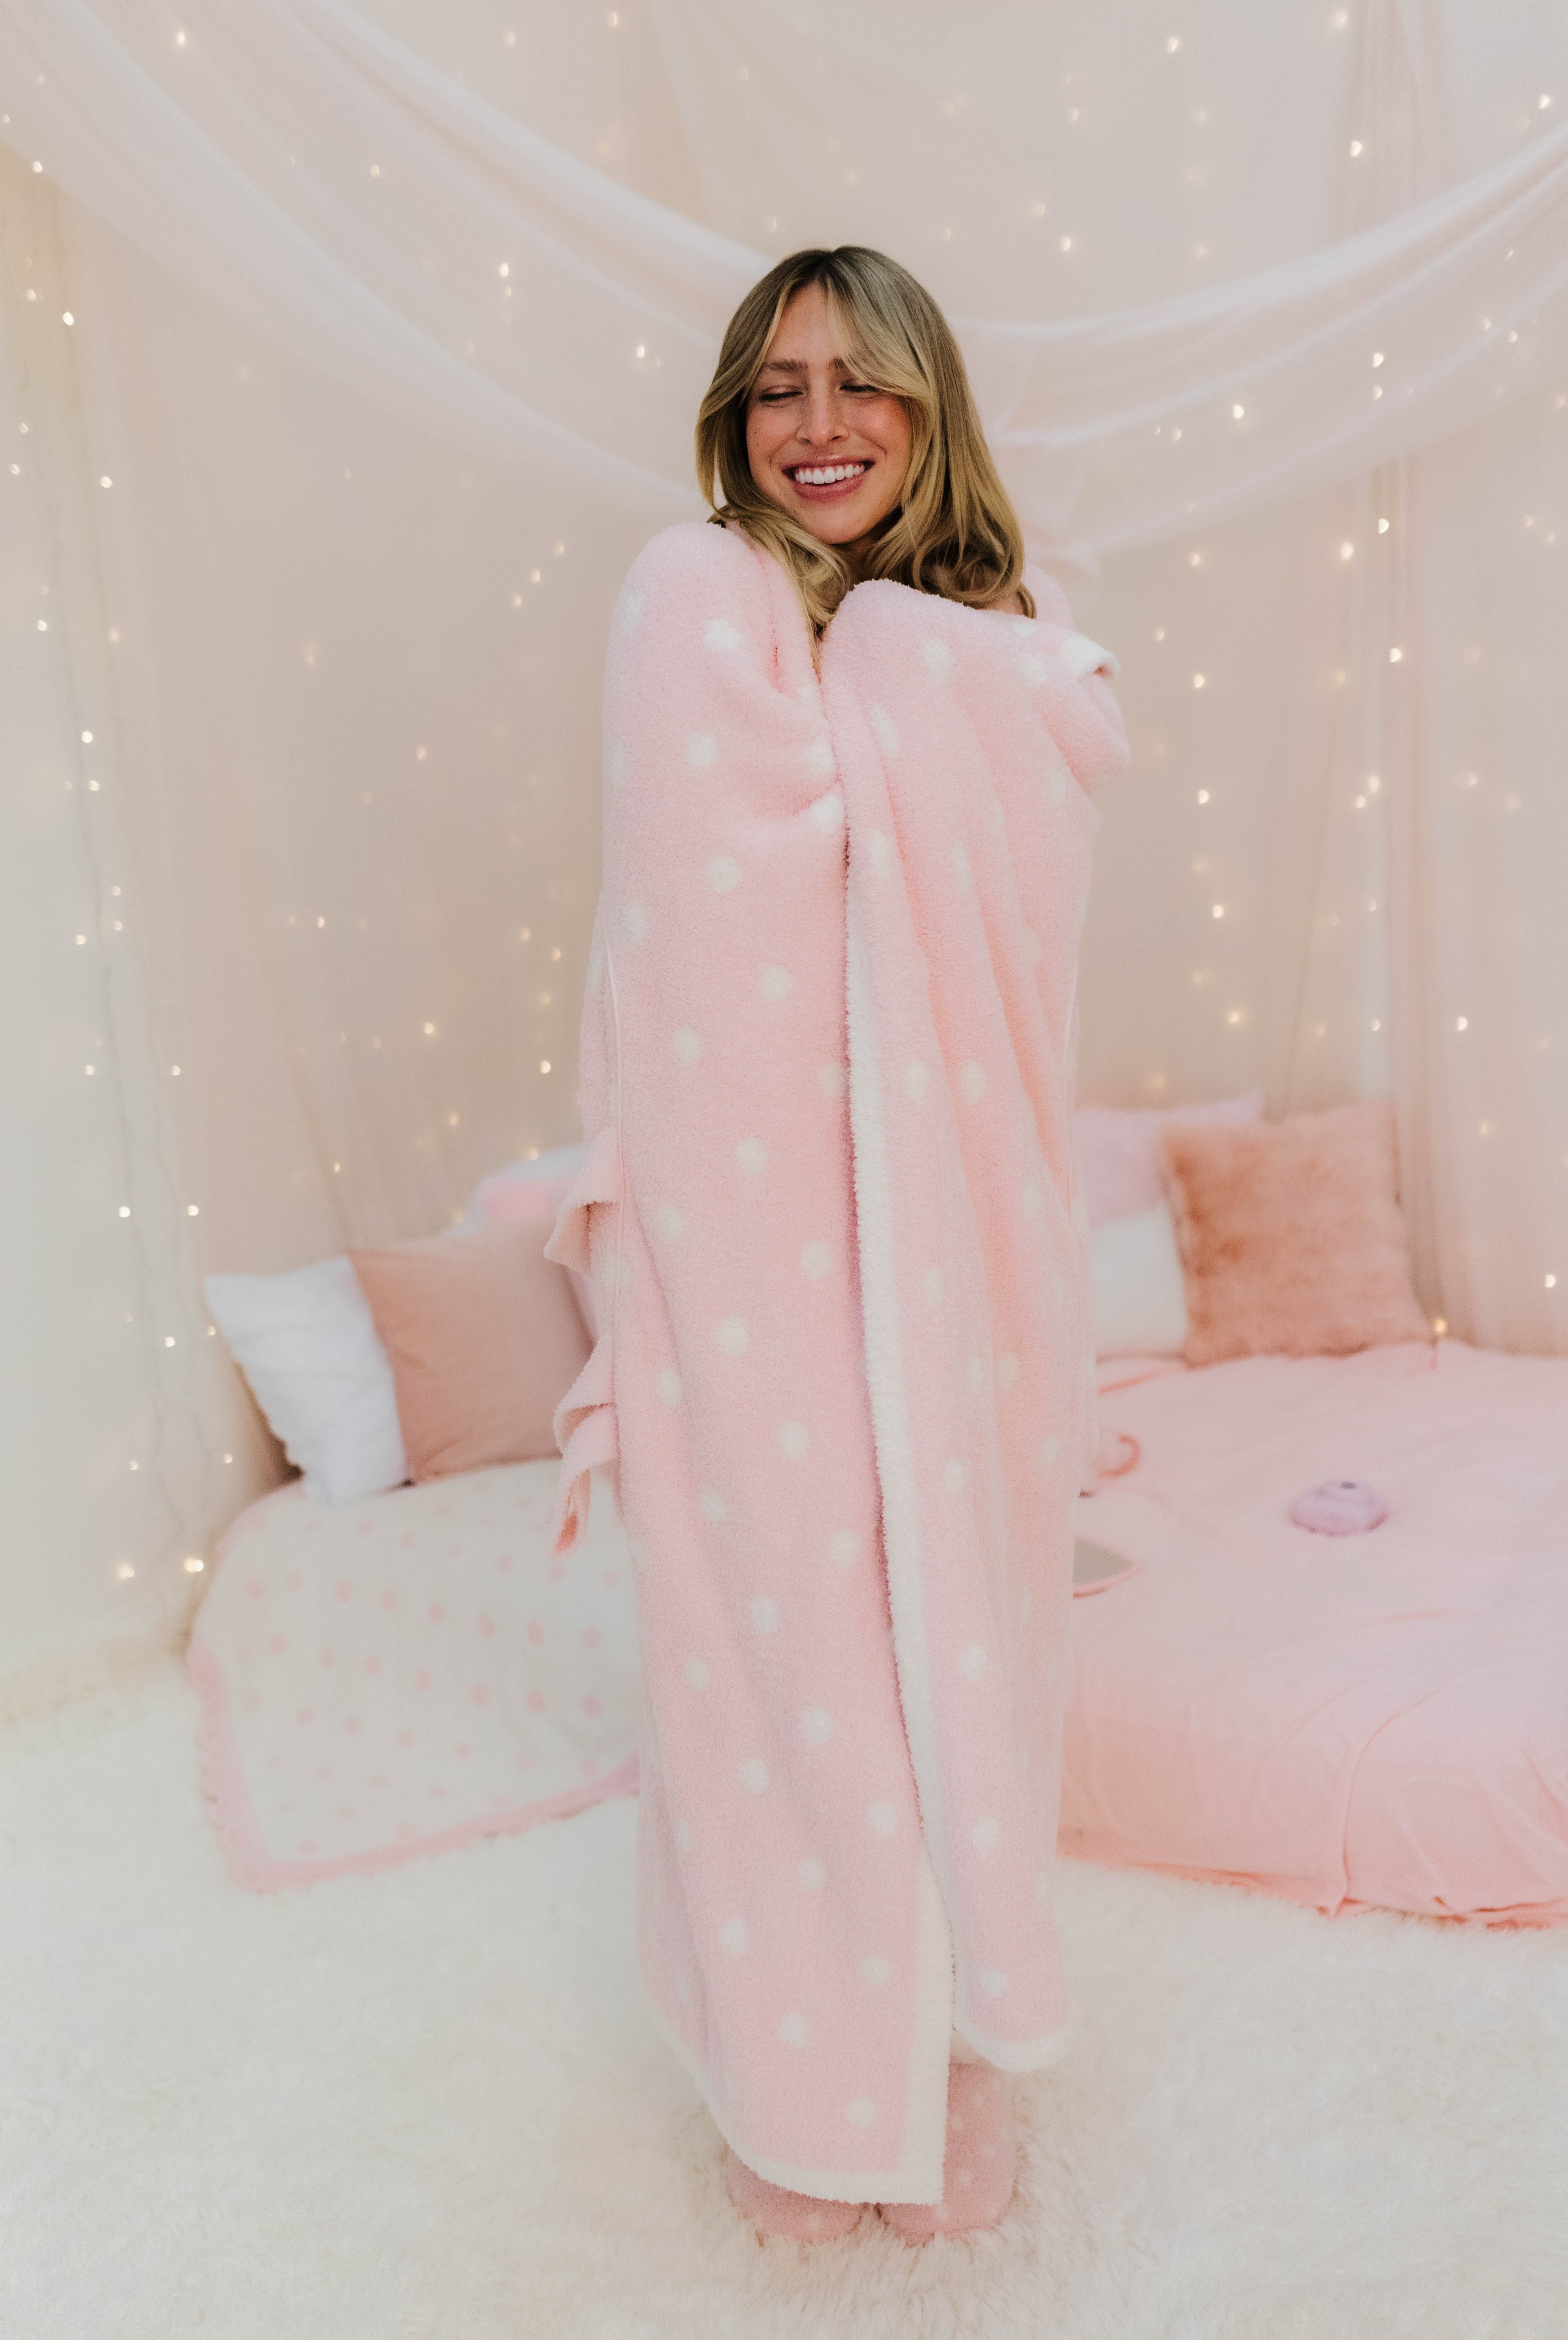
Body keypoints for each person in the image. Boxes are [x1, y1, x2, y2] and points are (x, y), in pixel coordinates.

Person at [548, 245, 1127, 2246]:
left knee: (959, 1646)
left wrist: (913, 664)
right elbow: (706, 940)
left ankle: (952, 2044)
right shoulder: (692, 601)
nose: (819, 425)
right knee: (780, 1657)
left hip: (964, 1252)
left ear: (926, 403)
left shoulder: (986, 637)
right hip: (761, 1260)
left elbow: (1020, 972)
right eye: (780, 383)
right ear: (735, 410)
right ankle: (806, 2089)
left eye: (860, 383)